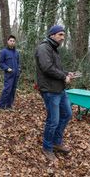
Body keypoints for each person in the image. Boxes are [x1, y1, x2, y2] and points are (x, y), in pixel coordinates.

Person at [35, 25, 74, 161]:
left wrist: (66, 73)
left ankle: (56, 142)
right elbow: (47, 68)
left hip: (60, 89)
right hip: (50, 90)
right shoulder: (43, 48)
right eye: (60, 35)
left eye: (63, 35)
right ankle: (47, 147)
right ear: (52, 35)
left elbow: (55, 68)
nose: (63, 38)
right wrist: (64, 77)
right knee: (53, 120)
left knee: (67, 114)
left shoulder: (53, 48)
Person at [0, 35, 20, 110]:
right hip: (9, 74)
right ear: (7, 41)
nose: (12, 42)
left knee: (13, 90)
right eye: (10, 41)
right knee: (7, 90)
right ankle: (1, 106)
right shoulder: (4, 52)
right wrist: (7, 69)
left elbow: (18, 62)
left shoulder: (16, 52)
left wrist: (19, 70)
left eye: (13, 41)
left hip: (16, 75)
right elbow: (0, 63)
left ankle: (9, 105)